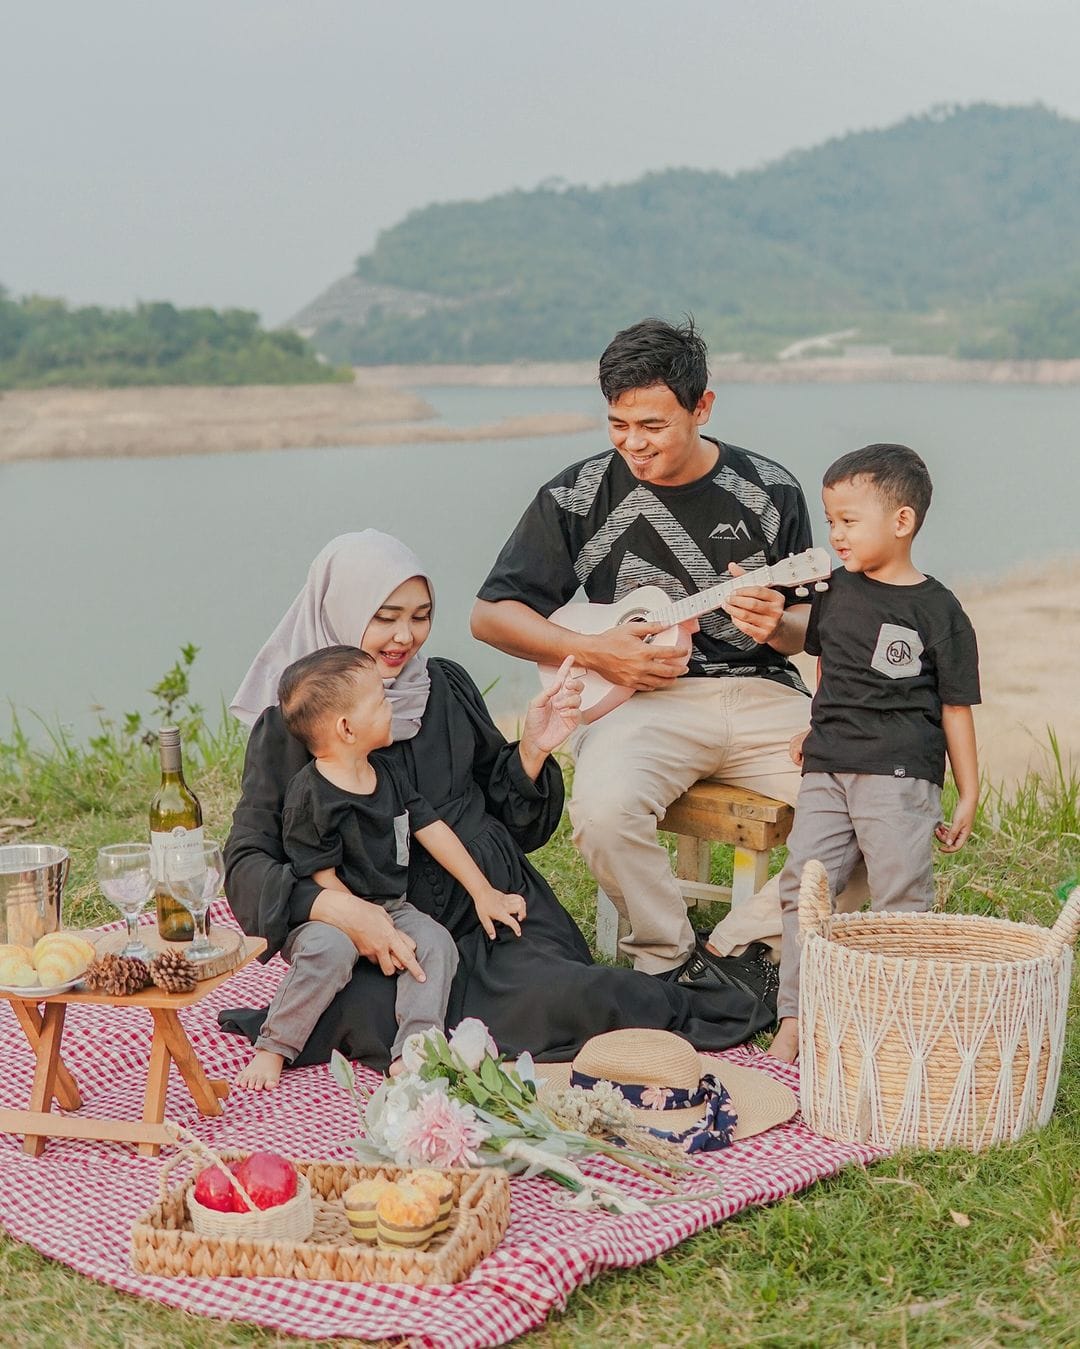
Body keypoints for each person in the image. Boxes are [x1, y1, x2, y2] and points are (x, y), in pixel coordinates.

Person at [221, 530, 778, 1073]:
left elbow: (513, 818)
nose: (404, 637)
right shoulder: (294, 727)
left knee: (575, 999)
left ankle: (705, 991)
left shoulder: (445, 686)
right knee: (368, 1013)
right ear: (339, 609)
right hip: (386, 940)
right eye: (384, 617)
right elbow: (248, 864)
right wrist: (347, 913)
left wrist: (533, 749)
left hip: (489, 910)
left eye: (420, 616)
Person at [471, 316, 866, 977]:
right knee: (601, 810)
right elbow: (491, 615)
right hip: (639, 705)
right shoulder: (578, 495)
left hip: (764, 694)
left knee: (878, 797)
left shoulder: (769, 492)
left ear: (702, 406)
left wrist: (778, 624)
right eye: (618, 424)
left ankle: (738, 944)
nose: (633, 443)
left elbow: (811, 630)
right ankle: (665, 954)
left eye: (652, 426)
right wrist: (597, 653)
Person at [236, 644, 537, 1089]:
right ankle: (274, 1045)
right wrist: (368, 929)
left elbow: (431, 829)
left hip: (391, 904)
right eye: (379, 699)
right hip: (333, 913)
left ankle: (414, 1048)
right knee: (329, 953)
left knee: (436, 944)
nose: (389, 703)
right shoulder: (310, 795)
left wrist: (482, 891)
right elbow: (322, 878)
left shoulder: (387, 773)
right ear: (346, 728)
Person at [768, 443, 980, 1061]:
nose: (835, 534)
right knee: (804, 888)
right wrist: (818, 727)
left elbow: (956, 708)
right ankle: (796, 1018)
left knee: (900, 898)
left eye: (848, 521)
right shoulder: (834, 590)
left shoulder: (939, 611)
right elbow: (832, 667)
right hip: (827, 769)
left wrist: (968, 791)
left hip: (898, 775)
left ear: (902, 522)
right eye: (830, 519)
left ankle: (897, 1022)